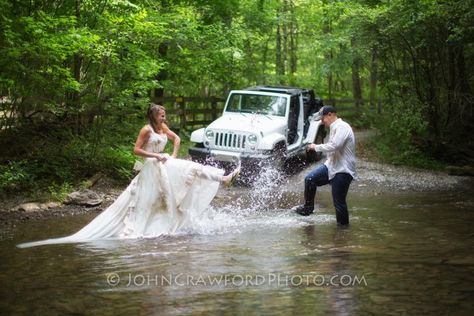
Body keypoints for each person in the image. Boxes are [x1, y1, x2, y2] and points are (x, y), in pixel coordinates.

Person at [18, 104, 240, 248]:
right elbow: (136, 151)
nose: (164, 116)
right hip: (152, 168)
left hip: (164, 163)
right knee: (152, 201)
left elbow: (177, 140)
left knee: (189, 171)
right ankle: (155, 226)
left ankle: (222, 178)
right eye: (161, 114)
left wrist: (170, 155)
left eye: (165, 114)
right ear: (153, 115)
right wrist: (156, 156)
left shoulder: (163, 128)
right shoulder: (147, 130)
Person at [294, 105, 356, 226]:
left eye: (322, 119)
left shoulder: (342, 127)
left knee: (339, 203)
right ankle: (307, 209)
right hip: (331, 167)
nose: (322, 122)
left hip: (343, 171)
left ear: (330, 115)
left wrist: (315, 147)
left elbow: (334, 145)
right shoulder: (334, 127)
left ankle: (343, 232)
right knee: (310, 179)